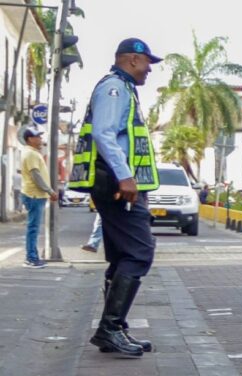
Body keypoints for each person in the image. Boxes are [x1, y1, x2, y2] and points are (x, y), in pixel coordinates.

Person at [69, 38, 162, 358]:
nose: (150, 69)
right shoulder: (115, 88)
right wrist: (125, 176)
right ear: (133, 59)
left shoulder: (122, 88)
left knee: (123, 254)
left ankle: (115, 329)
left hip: (118, 183)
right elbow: (104, 133)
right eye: (148, 62)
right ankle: (110, 327)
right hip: (117, 184)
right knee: (139, 252)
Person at [20, 127, 59, 268]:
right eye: (38, 137)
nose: (41, 139)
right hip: (34, 195)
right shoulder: (30, 154)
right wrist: (50, 191)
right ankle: (31, 258)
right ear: (30, 139)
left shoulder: (31, 153)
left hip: (35, 194)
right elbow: (35, 175)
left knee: (33, 227)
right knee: (33, 228)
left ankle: (32, 257)